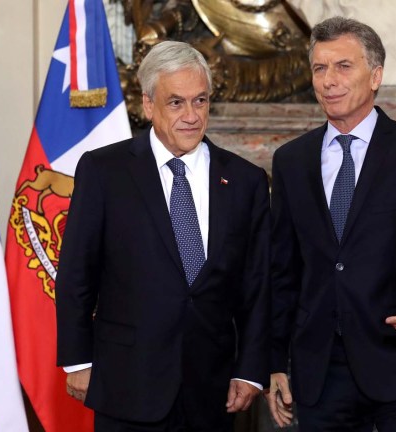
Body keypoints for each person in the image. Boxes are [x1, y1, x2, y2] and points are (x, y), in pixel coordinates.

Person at [55, 40, 270, 431]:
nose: (191, 115)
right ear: (148, 104)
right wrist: (79, 360)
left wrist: (252, 370)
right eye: (176, 103)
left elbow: (257, 287)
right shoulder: (105, 172)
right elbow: (76, 273)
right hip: (126, 384)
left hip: (213, 391)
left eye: (200, 101)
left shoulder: (245, 180)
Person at [265, 17, 396, 431]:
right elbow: (282, 272)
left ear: (375, 76)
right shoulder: (291, 160)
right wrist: (274, 362)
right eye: (319, 69)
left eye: (343, 66)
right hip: (320, 372)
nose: (328, 80)